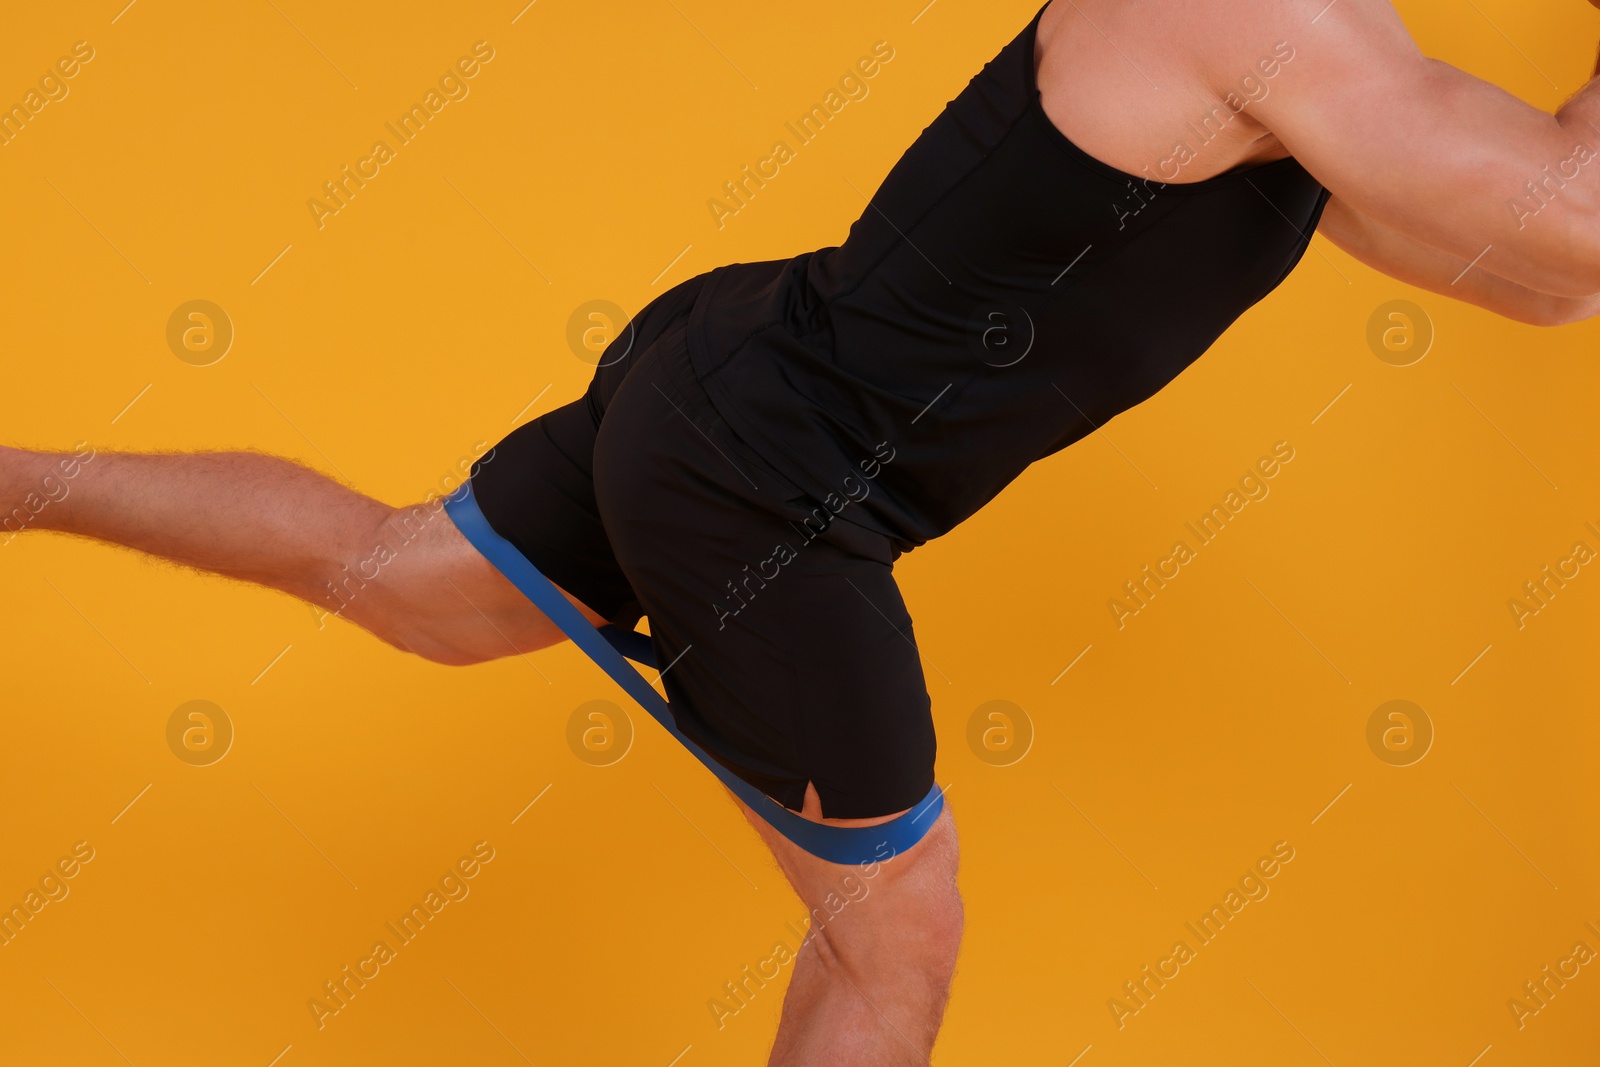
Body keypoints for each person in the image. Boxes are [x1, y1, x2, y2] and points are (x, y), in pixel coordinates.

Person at [8, 1, 1600, 1062]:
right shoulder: (1276, 22)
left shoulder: (1332, 58)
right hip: (773, 476)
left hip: (730, 381)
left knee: (408, 583)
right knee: (891, 945)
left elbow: (1537, 275)